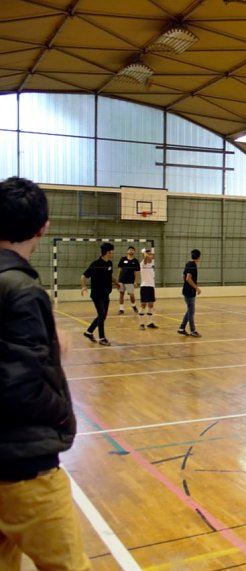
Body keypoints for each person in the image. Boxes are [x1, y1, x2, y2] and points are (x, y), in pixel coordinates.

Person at [0, 176, 91, 570]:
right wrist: (63, 415)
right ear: (43, 227)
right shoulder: (23, 290)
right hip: (24, 469)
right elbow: (20, 385)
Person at [80, 242, 120, 346]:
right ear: (107, 252)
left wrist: (117, 283)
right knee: (102, 315)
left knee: (102, 316)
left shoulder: (109, 264)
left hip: (106, 294)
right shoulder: (96, 264)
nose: (113, 254)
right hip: (97, 295)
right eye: (112, 252)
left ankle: (88, 332)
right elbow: (83, 276)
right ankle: (102, 338)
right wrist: (83, 286)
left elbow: (109, 276)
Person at [178, 249, 202, 337]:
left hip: (186, 290)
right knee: (191, 311)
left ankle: (181, 328)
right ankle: (193, 331)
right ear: (199, 257)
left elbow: (183, 276)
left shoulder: (188, 264)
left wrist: (186, 285)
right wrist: (196, 288)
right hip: (190, 291)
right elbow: (188, 278)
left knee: (189, 310)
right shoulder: (193, 265)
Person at [116, 245, 140, 315]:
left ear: (134, 252)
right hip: (122, 280)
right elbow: (119, 269)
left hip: (130, 280)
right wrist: (117, 279)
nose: (131, 251)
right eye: (129, 250)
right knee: (121, 294)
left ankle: (134, 306)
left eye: (132, 250)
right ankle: (121, 309)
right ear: (127, 251)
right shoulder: (123, 259)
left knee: (131, 294)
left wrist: (135, 281)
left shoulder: (135, 261)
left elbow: (136, 272)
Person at [139, 248, 158, 330]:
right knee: (143, 305)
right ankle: (141, 324)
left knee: (151, 305)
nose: (150, 256)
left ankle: (150, 323)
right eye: (149, 254)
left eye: (151, 254)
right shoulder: (143, 263)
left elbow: (153, 256)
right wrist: (143, 252)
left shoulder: (151, 265)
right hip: (144, 287)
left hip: (151, 287)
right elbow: (146, 257)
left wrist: (154, 288)